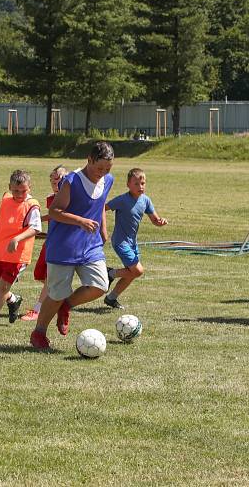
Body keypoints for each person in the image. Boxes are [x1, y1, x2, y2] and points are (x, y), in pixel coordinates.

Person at [30, 141, 115, 350]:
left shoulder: (108, 180)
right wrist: (80, 221)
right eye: (99, 168)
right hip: (63, 246)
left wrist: (103, 229)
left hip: (90, 245)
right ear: (89, 160)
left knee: (100, 285)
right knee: (57, 293)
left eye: (107, 169)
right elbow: (55, 212)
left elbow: (100, 203)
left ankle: (66, 306)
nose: (102, 173)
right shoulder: (72, 181)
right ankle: (38, 332)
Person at [0, 170, 41, 330]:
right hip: (0, 251)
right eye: (15, 191)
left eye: (23, 191)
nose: (19, 194)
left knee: (3, 287)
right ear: (9, 187)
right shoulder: (7, 200)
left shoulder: (32, 206)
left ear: (29, 188)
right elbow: (1, 222)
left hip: (17, 256)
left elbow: (36, 228)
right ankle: (12, 299)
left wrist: (17, 239)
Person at [103, 168, 168, 310]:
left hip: (133, 243)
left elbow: (155, 220)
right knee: (138, 271)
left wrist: (160, 222)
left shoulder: (146, 200)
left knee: (131, 273)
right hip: (120, 242)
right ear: (128, 185)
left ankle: (111, 298)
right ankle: (111, 273)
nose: (141, 187)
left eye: (143, 183)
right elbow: (102, 208)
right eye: (136, 184)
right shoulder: (122, 200)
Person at [22, 165, 68, 322]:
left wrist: (39, 219)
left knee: (49, 277)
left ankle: (38, 309)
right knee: (39, 274)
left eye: (58, 179)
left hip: (62, 243)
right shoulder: (51, 198)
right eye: (52, 180)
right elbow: (53, 215)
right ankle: (60, 296)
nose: (55, 183)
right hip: (50, 241)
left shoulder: (71, 198)